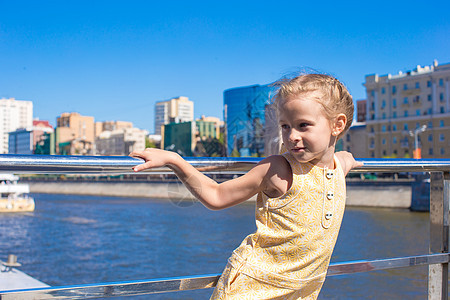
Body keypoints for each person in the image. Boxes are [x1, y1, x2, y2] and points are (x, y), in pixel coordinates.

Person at [130, 73, 362, 299]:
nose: (291, 136)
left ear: (337, 125)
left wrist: (346, 157)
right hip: (252, 289)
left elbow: (343, 158)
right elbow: (217, 196)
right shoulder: (279, 168)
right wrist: (175, 161)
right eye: (285, 126)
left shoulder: (338, 166)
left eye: (303, 125)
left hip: (301, 292)